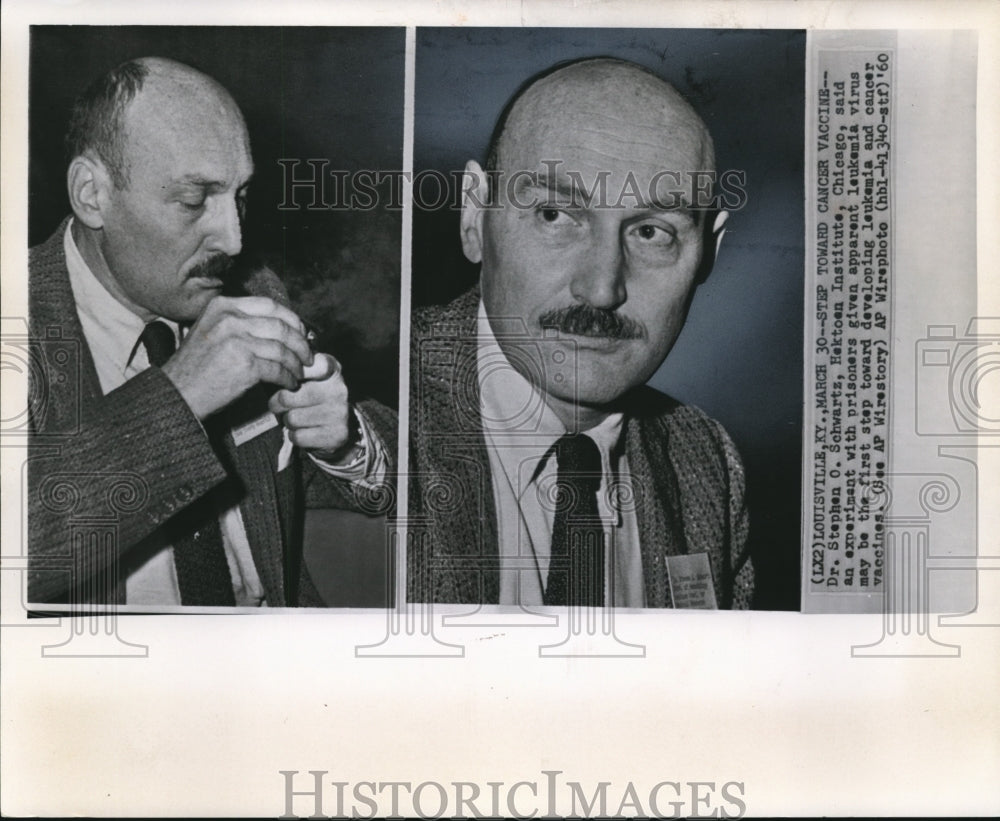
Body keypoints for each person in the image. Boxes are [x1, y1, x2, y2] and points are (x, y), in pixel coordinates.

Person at [27, 57, 393, 607]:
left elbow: (356, 466)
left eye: (241, 196)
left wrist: (342, 438)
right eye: (195, 200)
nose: (234, 240)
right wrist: (178, 397)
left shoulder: (251, 292)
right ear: (91, 194)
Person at [408, 57, 754, 608]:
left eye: (650, 232)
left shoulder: (704, 461)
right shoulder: (362, 410)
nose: (600, 290)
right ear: (475, 216)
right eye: (554, 215)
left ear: (707, 255)